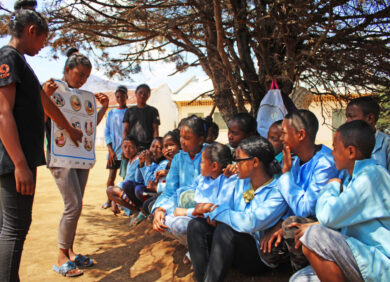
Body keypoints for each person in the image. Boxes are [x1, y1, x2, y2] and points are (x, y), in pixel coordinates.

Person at [0, 10, 82, 281]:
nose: (45, 45)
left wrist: (69, 129)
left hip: (18, 159)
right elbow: (2, 112)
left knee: (10, 227)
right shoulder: (8, 58)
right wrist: (20, 164)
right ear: (32, 30)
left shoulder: (22, 64)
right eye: (44, 39)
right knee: (15, 227)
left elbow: (45, 103)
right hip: (14, 161)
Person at [290, 120, 390, 282]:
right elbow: (343, 218)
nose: (332, 154)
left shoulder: (371, 177)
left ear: (351, 152)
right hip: (360, 256)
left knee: (313, 236)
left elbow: (328, 216)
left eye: (335, 149)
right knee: (298, 280)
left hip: (379, 263)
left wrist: (332, 186)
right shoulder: (355, 178)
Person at [187, 136, 288, 281]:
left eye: (239, 160)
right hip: (230, 246)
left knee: (226, 230)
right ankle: (203, 278)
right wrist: (216, 210)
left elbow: (250, 222)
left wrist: (215, 211)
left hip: (257, 255)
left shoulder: (277, 191)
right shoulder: (239, 181)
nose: (235, 164)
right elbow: (222, 203)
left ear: (254, 162)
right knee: (196, 225)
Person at [45, 48, 109, 277]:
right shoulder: (52, 90)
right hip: (61, 156)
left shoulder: (83, 98)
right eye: (79, 74)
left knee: (77, 204)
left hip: (80, 157)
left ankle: (70, 252)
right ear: (67, 70)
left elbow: (89, 126)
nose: (82, 79)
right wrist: (44, 95)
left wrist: (104, 108)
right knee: (73, 205)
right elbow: (41, 119)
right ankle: (62, 256)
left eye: (86, 76)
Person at [259, 110, 341, 272]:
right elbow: (287, 201)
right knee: (268, 247)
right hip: (297, 220)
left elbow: (306, 209)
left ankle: (305, 271)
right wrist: (277, 224)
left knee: (292, 227)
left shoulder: (325, 163)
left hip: (322, 225)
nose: (281, 138)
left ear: (301, 135)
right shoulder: (296, 161)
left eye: (283, 134)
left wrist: (287, 175)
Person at [164, 142, 236, 263]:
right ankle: (194, 247)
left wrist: (187, 212)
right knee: (166, 220)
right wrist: (166, 209)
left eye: (202, 162)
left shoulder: (228, 180)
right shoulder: (203, 179)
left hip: (217, 226)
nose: (200, 165)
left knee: (182, 225)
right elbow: (184, 193)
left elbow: (213, 211)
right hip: (200, 218)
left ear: (214, 166)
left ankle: (203, 251)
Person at [152, 115, 208, 233]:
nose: (182, 141)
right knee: (163, 221)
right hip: (182, 208)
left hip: (206, 210)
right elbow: (170, 191)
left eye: (187, 138)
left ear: (200, 139)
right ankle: (189, 244)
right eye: (181, 137)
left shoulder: (211, 154)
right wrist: (159, 209)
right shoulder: (178, 158)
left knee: (182, 226)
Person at [142, 130, 181, 216]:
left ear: (180, 145)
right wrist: (143, 165)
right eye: (165, 146)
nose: (169, 149)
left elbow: (176, 185)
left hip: (174, 195)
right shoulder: (163, 164)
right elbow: (148, 182)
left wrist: (157, 187)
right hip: (163, 193)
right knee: (146, 203)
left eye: (172, 145)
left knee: (149, 204)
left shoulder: (181, 162)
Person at [346, 96, 390, 171]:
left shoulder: (386, 145)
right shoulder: (347, 144)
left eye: (351, 116)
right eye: (347, 117)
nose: (347, 121)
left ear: (370, 118)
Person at [102, 85, 128, 209]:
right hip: (113, 152)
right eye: (117, 96)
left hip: (126, 152)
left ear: (126, 97)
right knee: (111, 176)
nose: (120, 98)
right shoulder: (111, 113)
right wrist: (110, 150)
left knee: (125, 177)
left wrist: (127, 150)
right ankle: (109, 199)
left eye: (122, 96)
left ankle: (124, 202)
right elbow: (107, 132)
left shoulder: (129, 112)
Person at [106, 136, 139, 215]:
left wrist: (114, 201)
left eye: (130, 147)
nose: (127, 150)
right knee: (113, 189)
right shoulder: (131, 160)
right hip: (132, 190)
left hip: (137, 192)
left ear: (137, 148)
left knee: (110, 190)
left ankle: (135, 210)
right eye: (125, 147)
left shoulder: (137, 161)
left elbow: (129, 181)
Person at [122, 83, 160, 150]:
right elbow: (125, 130)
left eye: (145, 94)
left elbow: (155, 131)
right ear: (136, 93)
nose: (142, 95)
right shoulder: (129, 111)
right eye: (140, 93)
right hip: (132, 147)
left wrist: (154, 147)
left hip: (147, 147)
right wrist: (124, 146)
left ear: (149, 95)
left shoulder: (153, 111)